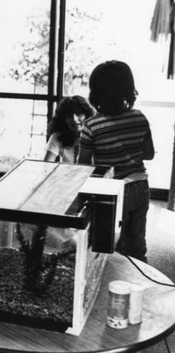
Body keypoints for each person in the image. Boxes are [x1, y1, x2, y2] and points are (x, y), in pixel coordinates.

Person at [78, 60, 155, 262]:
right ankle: (140, 279)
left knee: (112, 244)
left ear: (95, 93)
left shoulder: (91, 125)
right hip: (140, 186)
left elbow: (83, 166)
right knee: (137, 242)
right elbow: (149, 154)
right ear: (129, 90)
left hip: (113, 191)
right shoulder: (140, 118)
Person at [43, 96, 94, 163]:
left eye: (78, 114)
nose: (74, 120)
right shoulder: (59, 136)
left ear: (87, 115)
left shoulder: (95, 134)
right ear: (63, 119)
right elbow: (46, 165)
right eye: (69, 116)